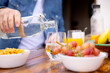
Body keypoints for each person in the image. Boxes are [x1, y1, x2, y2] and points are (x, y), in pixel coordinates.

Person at [0, 0, 65, 49]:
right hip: (9, 53)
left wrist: (57, 36)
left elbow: (60, 28)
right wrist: (2, 10)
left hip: (41, 54)